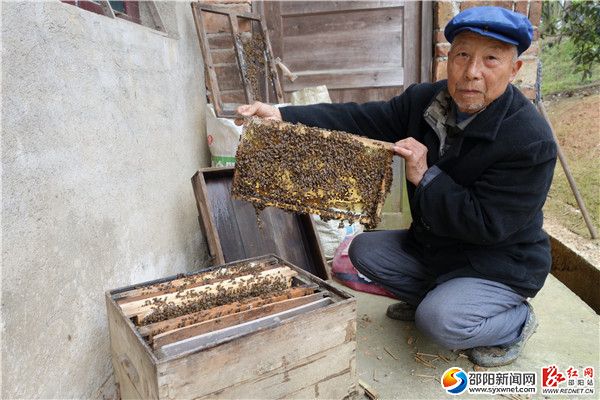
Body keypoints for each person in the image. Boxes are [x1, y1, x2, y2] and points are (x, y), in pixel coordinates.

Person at [235, 6, 557, 367]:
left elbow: (487, 224)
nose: (472, 72)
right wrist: (282, 114)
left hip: (498, 263)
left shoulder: (531, 141)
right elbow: (361, 118)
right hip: (438, 249)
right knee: (362, 251)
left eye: (491, 59)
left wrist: (426, 176)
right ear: (448, 60)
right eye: (462, 55)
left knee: (438, 321)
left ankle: (514, 322)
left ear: (515, 70)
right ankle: (438, 294)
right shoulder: (426, 101)